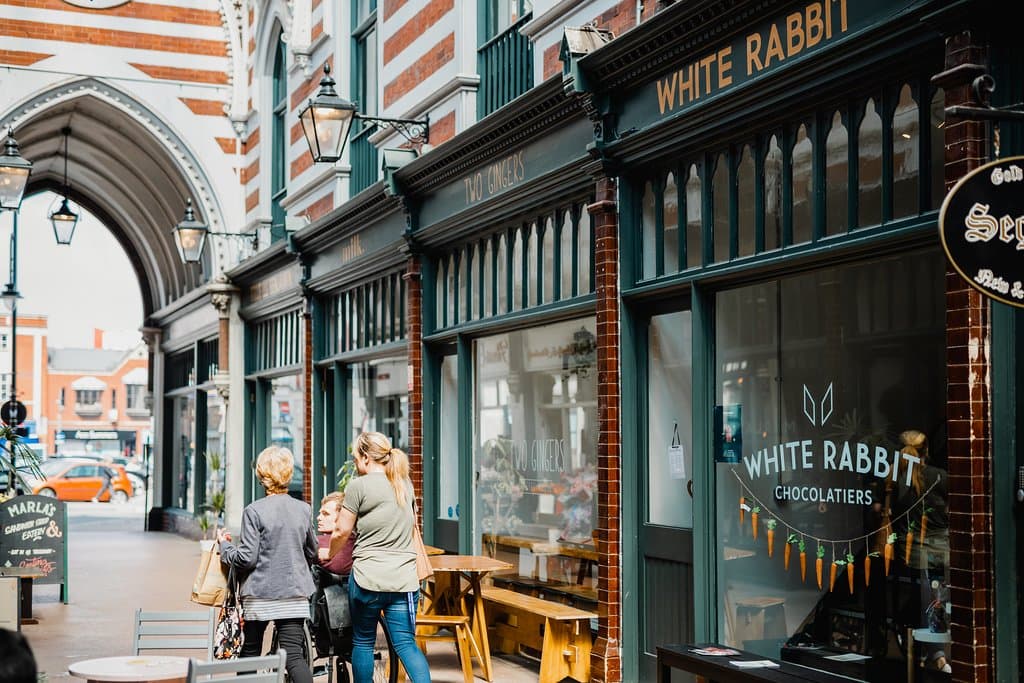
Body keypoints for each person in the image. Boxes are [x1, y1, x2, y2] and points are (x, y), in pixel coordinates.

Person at [328, 432, 431, 683]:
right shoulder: (404, 484)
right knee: (406, 644)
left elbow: (342, 530)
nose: (354, 464)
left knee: (363, 641)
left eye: (355, 459)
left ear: (365, 457)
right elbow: (412, 526)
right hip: (404, 580)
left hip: (367, 579)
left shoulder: (358, 487)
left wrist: (328, 553)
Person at [217, 446, 318, 683]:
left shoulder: (254, 511)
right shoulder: (303, 509)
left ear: (262, 476)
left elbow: (247, 558)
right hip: (294, 595)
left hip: (259, 595)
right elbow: (311, 551)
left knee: (250, 653)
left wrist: (225, 548)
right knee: (294, 657)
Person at [312, 491, 357, 683]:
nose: (318, 517)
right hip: (355, 610)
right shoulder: (358, 544)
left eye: (325, 514)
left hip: (323, 617)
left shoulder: (318, 544)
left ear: (342, 518)